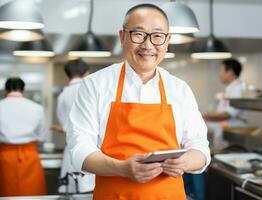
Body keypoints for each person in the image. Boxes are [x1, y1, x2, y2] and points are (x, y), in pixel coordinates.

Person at [67, 4, 210, 199]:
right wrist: (121, 168)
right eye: (138, 34)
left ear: (167, 42)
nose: (148, 45)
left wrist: (184, 162)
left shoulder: (180, 89)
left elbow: (200, 148)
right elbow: (79, 149)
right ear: (122, 36)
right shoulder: (95, 85)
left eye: (157, 36)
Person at [0, 77, 47, 196]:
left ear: (6, 90)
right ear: (23, 90)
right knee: (31, 194)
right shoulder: (37, 108)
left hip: (5, 155)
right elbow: (42, 137)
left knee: (6, 193)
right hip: (30, 155)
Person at [56, 59, 94, 193]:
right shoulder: (91, 89)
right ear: (87, 73)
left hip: (71, 150)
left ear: (67, 75)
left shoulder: (63, 95)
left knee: (72, 192)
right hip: (94, 150)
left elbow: (63, 123)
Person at [203, 58, 247, 148]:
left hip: (232, 135)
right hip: (225, 133)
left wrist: (206, 116)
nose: (220, 74)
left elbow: (228, 114)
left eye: (221, 71)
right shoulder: (231, 88)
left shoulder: (238, 90)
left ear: (230, 72)